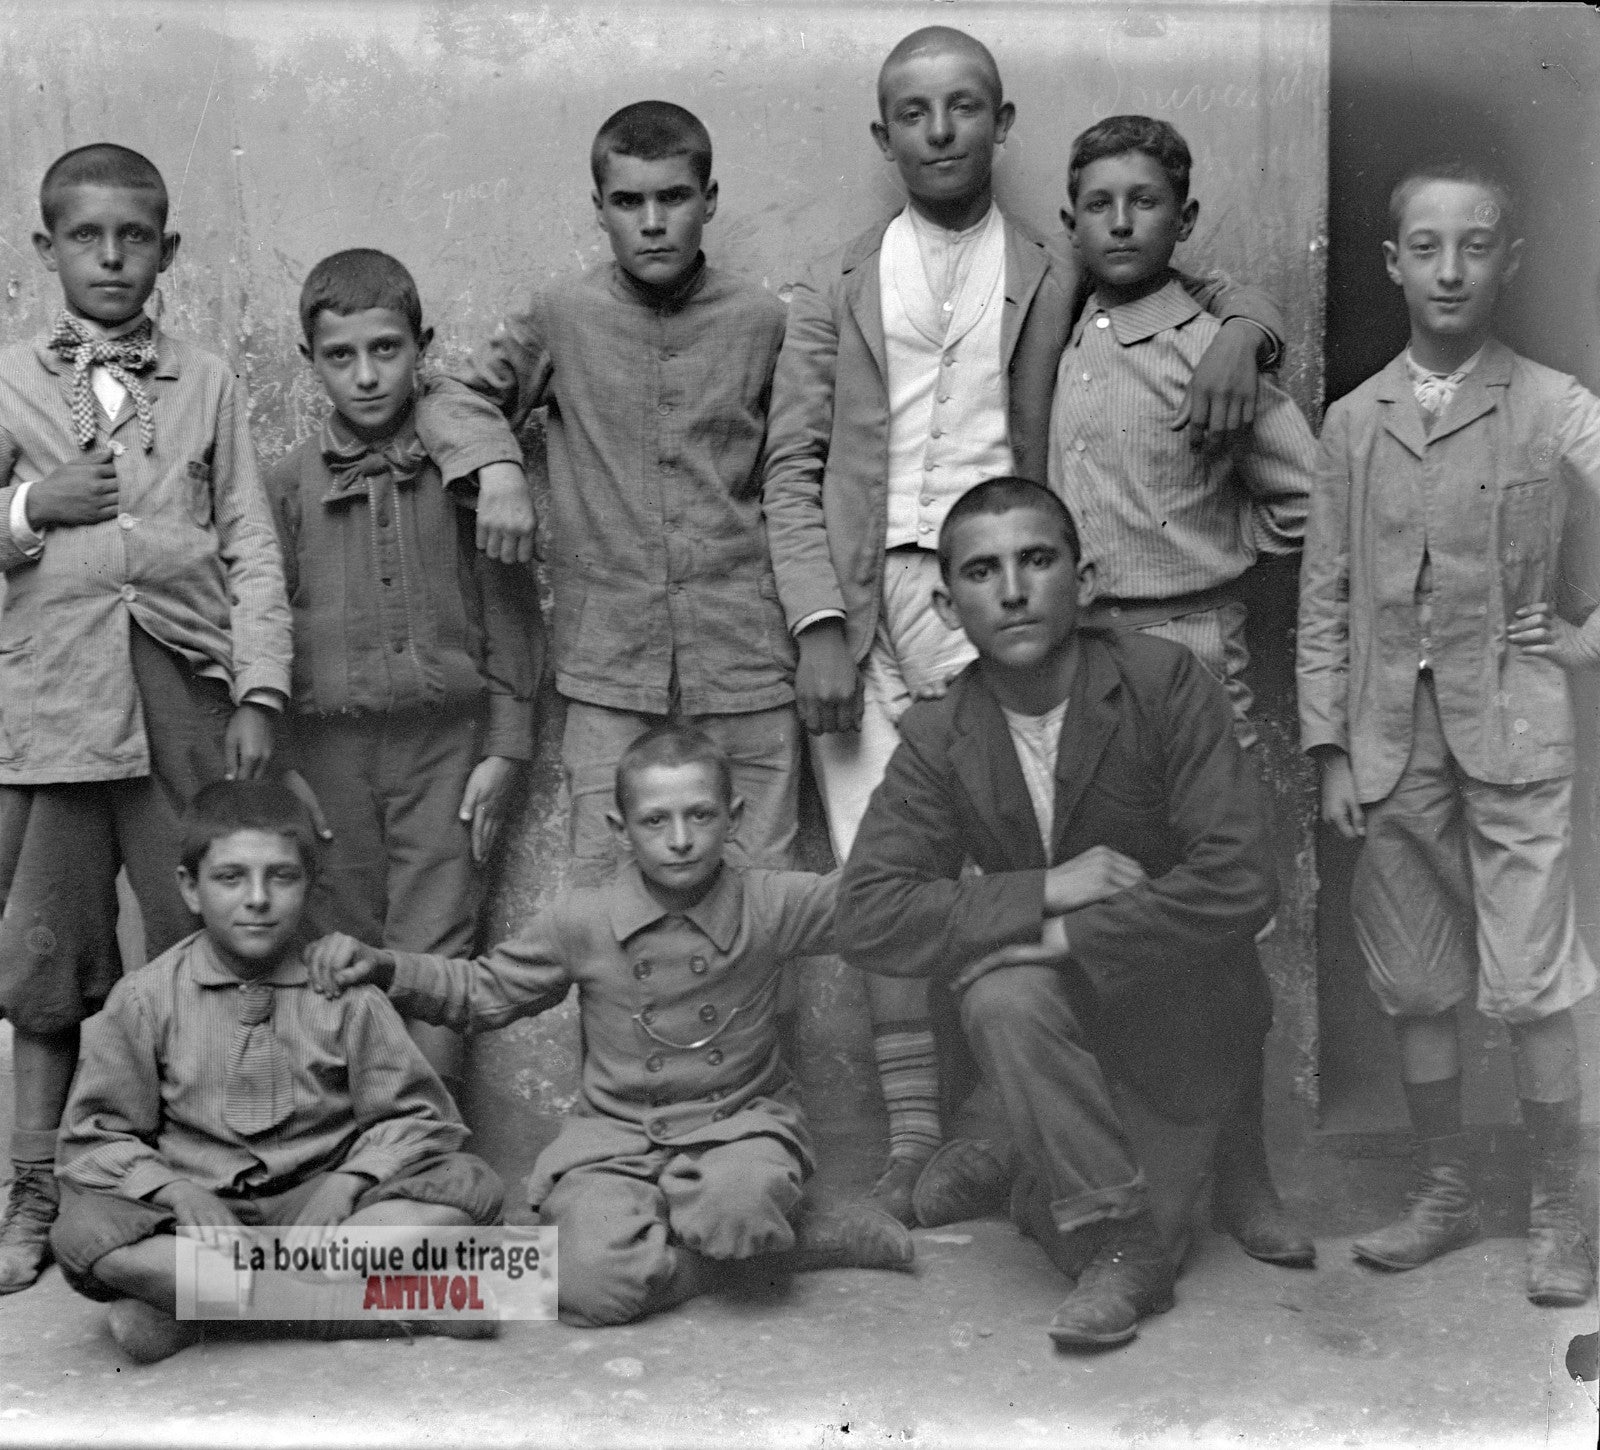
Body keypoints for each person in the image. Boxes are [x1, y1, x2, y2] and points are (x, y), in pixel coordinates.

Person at [761, 22, 1289, 1226]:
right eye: (912, 111)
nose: (938, 131)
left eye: (964, 109)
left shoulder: (1053, 261)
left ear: (1001, 127)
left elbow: (1202, 279)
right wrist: (819, 619)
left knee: (1039, 850)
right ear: (880, 131)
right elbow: (792, 466)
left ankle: (1025, 1128)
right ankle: (916, 1140)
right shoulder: (836, 281)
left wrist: (1251, 334)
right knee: (877, 864)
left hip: (1005, 592)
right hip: (871, 599)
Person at [836, 477, 1279, 1350]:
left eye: (1037, 560)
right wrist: (1045, 889)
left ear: (1082, 575)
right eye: (981, 571)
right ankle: (1121, 1248)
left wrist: (1061, 936)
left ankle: (1024, 1158)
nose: (1012, 590)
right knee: (1003, 1001)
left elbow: (1240, 879)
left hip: (1180, 1012)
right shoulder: (941, 732)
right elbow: (870, 913)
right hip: (1048, 1035)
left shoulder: (1162, 681)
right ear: (945, 600)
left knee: (1086, 1205)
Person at [308, 725, 914, 1328]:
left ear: (734, 818)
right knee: (588, 1289)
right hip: (617, 1142)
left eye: (700, 816)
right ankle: (782, 1249)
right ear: (621, 831)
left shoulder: (770, 901)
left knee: (741, 1208)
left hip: (736, 1128)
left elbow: (875, 905)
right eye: (655, 821)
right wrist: (388, 967)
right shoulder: (585, 918)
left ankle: (756, 1231)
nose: (680, 840)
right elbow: (483, 991)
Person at [1299, 159, 1599, 1307]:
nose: (1449, 269)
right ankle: (1444, 1185)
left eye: (1474, 245)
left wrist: (1576, 637)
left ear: (1508, 259)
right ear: (1390, 263)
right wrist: (1328, 749)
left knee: (1530, 981)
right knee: (1416, 981)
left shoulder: (1551, 402)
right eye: (1424, 247)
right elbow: (1324, 596)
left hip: (1517, 737)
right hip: (1386, 747)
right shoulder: (1350, 422)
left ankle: (1558, 1207)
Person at [0, 144, 292, 1293]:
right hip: (56, 710)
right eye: (87, 236)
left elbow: (253, 544)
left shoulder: (209, 381)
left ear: (167, 250)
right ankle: (29, 1188)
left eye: (135, 237)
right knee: (45, 965)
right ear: (46, 250)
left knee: (198, 957)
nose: (112, 256)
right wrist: (29, 505)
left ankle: (201, 1188)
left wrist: (260, 688)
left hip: (184, 700)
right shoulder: (10, 379)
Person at [1045, 114, 1316, 1267]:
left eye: (1144, 200)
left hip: (1191, 655)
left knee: (1213, 918)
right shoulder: (1058, 332)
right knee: (1109, 915)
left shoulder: (1211, 344)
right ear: (1070, 220)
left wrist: (1222, 558)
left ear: (1183, 218)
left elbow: (1308, 496)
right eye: (1098, 201)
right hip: (1083, 665)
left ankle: (1244, 1172)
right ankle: (1141, 1175)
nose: (1120, 220)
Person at [413, 101, 799, 890]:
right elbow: (450, 398)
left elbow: (800, 471)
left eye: (674, 198)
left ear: (710, 201)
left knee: (763, 885)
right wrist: (500, 468)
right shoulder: (564, 314)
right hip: (609, 659)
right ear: (599, 210)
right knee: (603, 885)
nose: (652, 222)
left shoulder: (764, 322)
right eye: (628, 202)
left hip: (746, 654)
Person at [49, 779, 504, 1363]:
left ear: (308, 885)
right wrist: (178, 1189)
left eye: (281, 877)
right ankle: (370, 1309)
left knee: (468, 1186)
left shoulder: (348, 997)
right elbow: (95, 1137)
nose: (257, 898)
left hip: (326, 1215)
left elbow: (419, 1119)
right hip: (200, 1222)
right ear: (191, 888)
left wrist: (347, 1184)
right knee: (86, 1234)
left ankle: (201, 1310)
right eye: (230, 877)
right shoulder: (144, 1000)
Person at [265, 248, 543, 1098]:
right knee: (332, 945)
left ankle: (426, 1151)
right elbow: (258, 625)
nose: (367, 376)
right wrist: (279, 767)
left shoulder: (462, 476)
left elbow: (510, 609)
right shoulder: (282, 487)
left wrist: (507, 745)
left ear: (421, 345)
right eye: (341, 356)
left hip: (443, 753)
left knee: (435, 948)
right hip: (325, 759)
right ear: (310, 360)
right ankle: (346, 1146)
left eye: (386, 350)